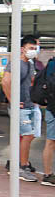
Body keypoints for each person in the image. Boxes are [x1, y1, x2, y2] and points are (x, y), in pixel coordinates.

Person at [1, 35, 39, 182]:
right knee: (28, 135)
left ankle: (17, 162)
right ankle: (21, 168)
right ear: (22, 49)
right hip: (20, 107)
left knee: (26, 136)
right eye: (31, 48)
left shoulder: (29, 64)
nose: (33, 51)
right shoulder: (15, 63)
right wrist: (13, 101)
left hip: (29, 105)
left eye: (35, 49)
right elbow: (5, 82)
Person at [41, 57, 55, 187]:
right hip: (53, 109)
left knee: (51, 142)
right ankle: (47, 174)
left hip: (51, 108)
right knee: (51, 142)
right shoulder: (52, 65)